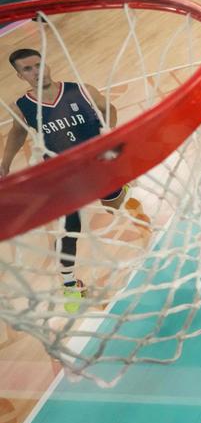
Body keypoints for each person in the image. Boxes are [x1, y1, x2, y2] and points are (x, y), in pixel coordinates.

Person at [1, 48, 144, 311]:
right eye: (27, 69)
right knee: (70, 227)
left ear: (46, 63)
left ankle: (120, 192)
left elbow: (108, 108)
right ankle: (69, 285)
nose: (36, 72)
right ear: (20, 76)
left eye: (37, 65)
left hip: (98, 164)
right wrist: (5, 164)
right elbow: (17, 135)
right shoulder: (22, 107)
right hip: (64, 175)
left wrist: (108, 132)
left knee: (114, 203)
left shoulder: (81, 89)